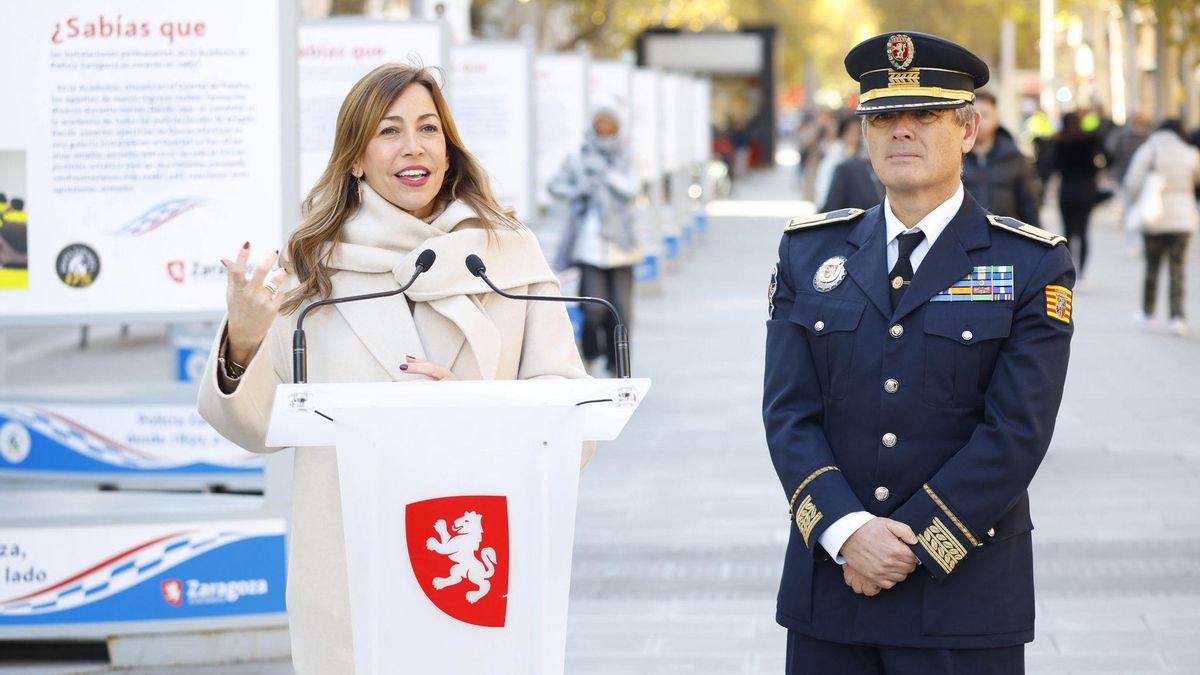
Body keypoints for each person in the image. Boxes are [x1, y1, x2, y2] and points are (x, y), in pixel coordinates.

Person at [197, 64, 587, 674]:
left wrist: (476, 409)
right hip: (350, 568)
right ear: (355, 156)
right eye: (389, 130)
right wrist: (243, 344)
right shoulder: (312, 267)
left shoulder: (509, 253)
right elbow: (253, 428)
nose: (414, 147)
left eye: (429, 128)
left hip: (473, 556)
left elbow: (572, 409)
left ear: (449, 147)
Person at [764, 32, 1074, 675]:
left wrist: (909, 546)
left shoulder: (1030, 263)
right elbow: (788, 414)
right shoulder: (810, 254)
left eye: (925, 115)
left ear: (969, 128)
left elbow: (1017, 431)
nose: (901, 131)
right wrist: (848, 533)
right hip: (832, 595)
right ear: (864, 133)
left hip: (963, 602)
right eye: (883, 117)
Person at [548, 104, 640, 376]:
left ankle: (618, 365)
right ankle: (592, 354)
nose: (605, 130)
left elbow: (633, 188)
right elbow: (556, 185)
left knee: (621, 312)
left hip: (622, 246)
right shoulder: (578, 157)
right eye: (600, 124)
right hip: (589, 247)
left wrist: (607, 175)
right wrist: (580, 189)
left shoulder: (626, 155)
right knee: (593, 310)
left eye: (610, 125)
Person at [1124, 119, 1200, 336]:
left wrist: (1140, 201)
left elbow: (1132, 182)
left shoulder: (1149, 150)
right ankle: (1178, 316)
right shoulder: (1190, 153)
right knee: (1178, 269)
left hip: (1154, 218)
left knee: (1152, 267)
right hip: (1183, 219)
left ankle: (1148, 313)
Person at [961, 91, 1041, 225]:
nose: (977, 122)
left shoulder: (1015, 158)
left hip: (1006, 237)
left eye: (984, 115)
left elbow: (1030, 206)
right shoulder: (954, 158)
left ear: (996, 119)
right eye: (970, 116)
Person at [1051, 111, 1105, 280]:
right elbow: (1108, 158)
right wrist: (1095, 170)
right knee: (1083, 232)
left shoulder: (1060, 141)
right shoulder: (1090, 141)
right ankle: (1081, 273)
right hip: (1087, 191)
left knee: (1066, 232)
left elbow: (1053, 165)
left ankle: (1067, 270)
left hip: (1067, 190)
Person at [814, 116, 861, 208]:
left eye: (859, 132)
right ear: (842, 133)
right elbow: (824, 187)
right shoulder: (833, 156)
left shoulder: (865, 155)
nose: (855, 136)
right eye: (851, 131)